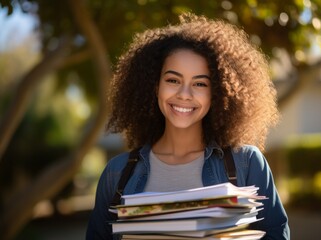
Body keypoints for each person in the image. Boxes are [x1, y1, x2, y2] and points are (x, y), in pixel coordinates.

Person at [86, 13, 290, 240]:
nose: (184, 94)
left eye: (200, 83)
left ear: (218, 92)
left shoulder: (247, 163)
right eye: (173, 80)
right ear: (155, 86)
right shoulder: (116, 174)